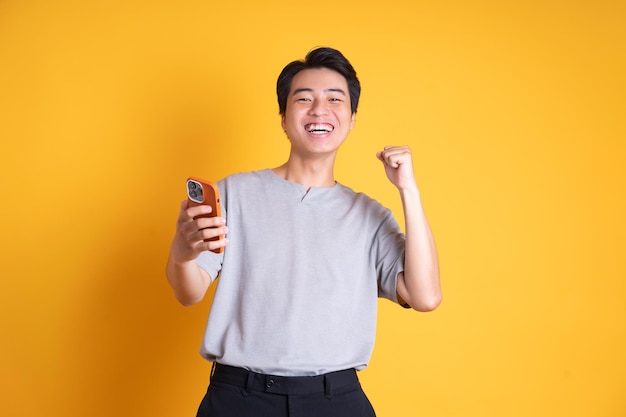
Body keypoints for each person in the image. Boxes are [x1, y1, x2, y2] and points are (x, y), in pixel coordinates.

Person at [166, 47, 441, 417]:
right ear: (283, 117)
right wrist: (182, 254)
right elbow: (189, 292)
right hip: (239, 398)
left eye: (334, 99)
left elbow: (425, 296)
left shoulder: (370, 216)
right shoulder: (234, 193)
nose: (318, 110)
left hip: (336, 400)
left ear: (352, 118)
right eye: (304, 98)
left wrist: (409, 189)